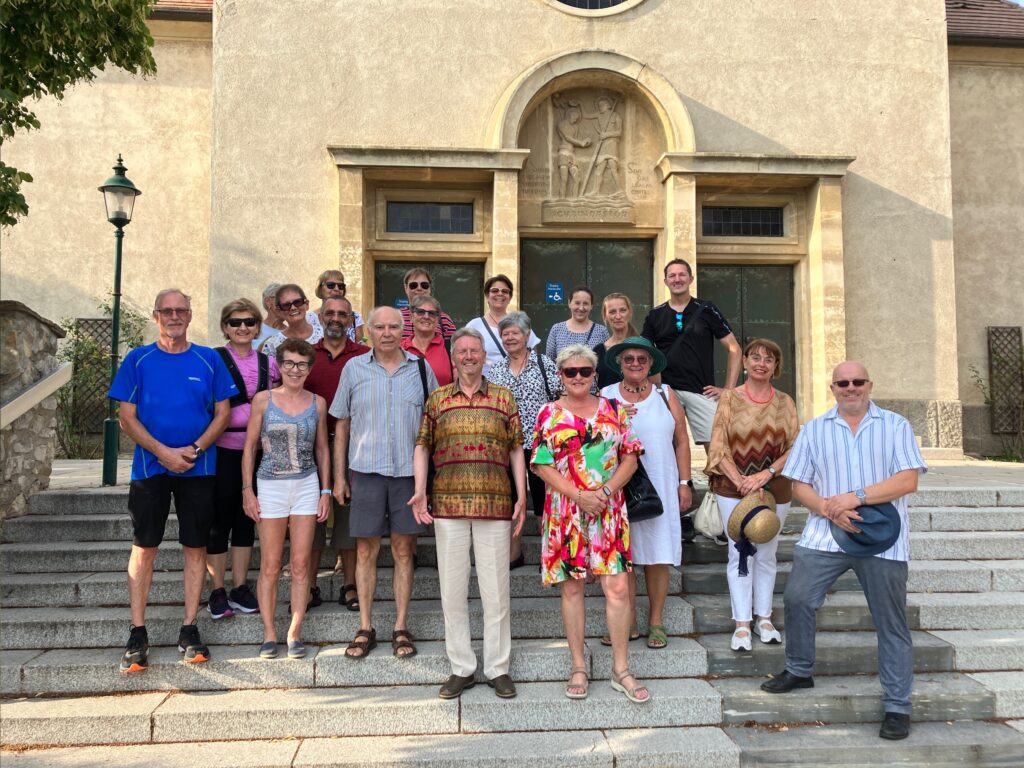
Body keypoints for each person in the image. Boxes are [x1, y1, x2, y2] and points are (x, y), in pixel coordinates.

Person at [762, 361, 927, 742]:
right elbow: (799, 482)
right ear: (832, 387)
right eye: (842, 383)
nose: (850, 388)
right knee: (799, 598)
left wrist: (856, 497)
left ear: (869, 384)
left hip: (883, 538)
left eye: (857, 382)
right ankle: (800, 670)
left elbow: (908, 480)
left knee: (891, 623)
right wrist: (827, 509)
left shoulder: (896, 426)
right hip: (825, 533)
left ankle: (898, 706)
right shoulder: (815, 430)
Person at [109, 288, 236, 673]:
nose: (175, 316)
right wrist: (164, 452)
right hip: (150, 469)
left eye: (181, 309)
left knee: (195, 547)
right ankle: (137, 631)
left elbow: (223, 413)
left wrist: (193, 449)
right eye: (168, 310)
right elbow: (126, 417)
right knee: (144, 547)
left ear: (191, 315)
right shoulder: (138, 359)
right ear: (156, 315)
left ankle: (189, 627)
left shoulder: (209, 358)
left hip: (199, 467)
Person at [411, 327, 527, 700]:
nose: (468, 356)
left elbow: (516, 450)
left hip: (495, 505)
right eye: (461, 350)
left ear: (483, 356)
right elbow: (422, 447)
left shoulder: (504, 398)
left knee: (496, 593)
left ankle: (498, 668)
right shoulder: (438, 399)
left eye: (474, 350)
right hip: (447, 505)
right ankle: (461, 667)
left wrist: (521, 496)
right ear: (454, 356)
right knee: (453, 592)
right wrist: (419, 491)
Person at [530, 344, 649, 704]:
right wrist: (578, 495)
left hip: (609, 510)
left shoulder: (613, 409)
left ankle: (621, 669)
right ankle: (578, 665)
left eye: (585, 371)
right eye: (571, 372)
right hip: (565, 511)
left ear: (595, 374)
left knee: (616, 589)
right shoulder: (549, 413)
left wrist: (607, 489)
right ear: (560, 375)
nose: (578, 377)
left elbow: (630, 455)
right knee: (572, 590)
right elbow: (540, 463)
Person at [331, 306, 438, 659]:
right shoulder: (353, 368)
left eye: (394, 326)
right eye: (380, 327)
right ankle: (365, 625)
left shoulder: (420, 370)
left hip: (409, 476)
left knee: (404, 551)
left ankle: (400, 626)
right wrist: (338, 477)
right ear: (369, 332)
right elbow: (341, 425)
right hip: (366, 473)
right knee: (365, 550)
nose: (387, 332)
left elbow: (435, 423)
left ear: (402, 330)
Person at [704, 338, 798, 652]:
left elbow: (795, 447)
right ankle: (742, 623)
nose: (761, 363)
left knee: (768, 551)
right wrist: (741, 480)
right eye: (754, 357)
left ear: (776, 367)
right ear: (744, 362)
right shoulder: (729, 398)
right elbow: (718, 446)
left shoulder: (785, 402)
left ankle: (765, 618)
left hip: (776, 486)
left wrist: (764, 475)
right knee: (740, 552)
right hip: (734, 486)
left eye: (768, 359)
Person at [600, 336, 693, 650]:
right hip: (619, 488)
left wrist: (684, 483)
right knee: (623, 557)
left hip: (662, 483)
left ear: (651, 363)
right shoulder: (606, 396)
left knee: (657, 556)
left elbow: (681, 441)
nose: (636, 364)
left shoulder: (666, 395)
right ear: (619, 364)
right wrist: (613, 418)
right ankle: (626, 621)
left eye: (642, 359)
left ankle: (656, 621)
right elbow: (594, 444)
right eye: (629, 359)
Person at [242, 339, 331, 659]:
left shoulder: (317, 402)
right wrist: (247, 490)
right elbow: (250, 446)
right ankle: (269, 633)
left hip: (306, 484)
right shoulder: (263, 400)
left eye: (303, 364)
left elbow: (322, 448)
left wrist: (326, 491)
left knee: (301, 563)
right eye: (290, 363)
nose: (296, 370)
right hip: (270, 485)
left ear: (310, 368)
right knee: (269, 564)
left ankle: (294, 632)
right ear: (279, 365)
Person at [207, 298, 280, 621]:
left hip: (259, 450)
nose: (242, 328)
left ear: (257, 326)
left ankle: (239, 586)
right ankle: (216, 589)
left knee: (246, 519)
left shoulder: (269, 363)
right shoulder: (212, 360)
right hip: (223, 447)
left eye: (249, 322)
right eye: (235, 322)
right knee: (219, 518)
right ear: (225, 326)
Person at [304, 296, 369, 612]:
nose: (336, 318)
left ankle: (350, 584)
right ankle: (310, 585)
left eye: (343, 314)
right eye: (330, 313)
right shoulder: (306, 355)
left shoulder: (364, 356)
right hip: (309, 447)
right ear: (320, 316)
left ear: (351, 320)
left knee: (348, 516)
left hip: (352, 444)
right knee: (311, 517)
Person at [641, 258, 741, 448]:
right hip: (667, 391)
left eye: (681, 274)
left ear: (690, 278)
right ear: (665, 281)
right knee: (666, 447)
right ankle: (677, 480)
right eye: (672, 275)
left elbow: (734, 349)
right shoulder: (655, 314)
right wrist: (651, 388)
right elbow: (644, 353)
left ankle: (718, 480)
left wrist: (728, 390)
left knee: (717, 450)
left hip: (702, 390)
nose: (677, 279)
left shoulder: (707, 309)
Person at [487, 311, 559, 568]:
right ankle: (513, 553)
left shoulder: (545, 364)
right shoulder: (495, 371)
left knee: (543, 501)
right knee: (508, 501)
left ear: (527, 336)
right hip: (507, 446)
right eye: (505, 334)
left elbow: (561, 398)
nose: (509, 338)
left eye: (514, 333)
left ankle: (547, 554)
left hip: (541, 445)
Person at [466, 274, 539, 375]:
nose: (500, 294)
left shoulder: (520, 323)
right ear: (487, 295)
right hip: (486, 385)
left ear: (510, 297)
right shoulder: (474, 326)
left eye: (505, 291)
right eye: (495, 290)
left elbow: (534, 355)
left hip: (518, 383)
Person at [545, 286, 610, 363]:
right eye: (577, 303)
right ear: (569, 303)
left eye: (585, 303)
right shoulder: (557, 329)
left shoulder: (601, 331)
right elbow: (549, 362)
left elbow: (607, 361)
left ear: (591, 306)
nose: (581, 308)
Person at [401, 294, 454, 386]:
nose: (426, 316)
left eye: (432, 313)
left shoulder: (450, 348)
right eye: (420, 312)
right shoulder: (400, 349)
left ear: (437, 319)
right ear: (411, 317)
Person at [260, 284, 323, 357]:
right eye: (286, 305)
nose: (293, 308)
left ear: (306, 304)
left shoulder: (324, 336)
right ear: (279, 311)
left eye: (297, 302)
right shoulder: (272, 345)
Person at [594, 292, 639, 389]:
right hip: (608, 403)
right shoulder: (599, 351)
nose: (618, 316)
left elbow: (655, 384)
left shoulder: (643, 346)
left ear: (630, 312)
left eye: (622, 310)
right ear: (605, 316)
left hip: (638, 403)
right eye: (612, 312)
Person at [399, 267, 456, 340]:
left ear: (429, 289)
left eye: (424, 285)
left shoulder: (444, 319)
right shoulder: (395, 317)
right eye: (413, 285)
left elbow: (453, 348)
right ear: (406, 288)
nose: (419, 288)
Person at [314, 269, 365, 342]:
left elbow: (360, 345)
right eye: (330, 285)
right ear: (320, 288)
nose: (336, 289)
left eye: (341, 286)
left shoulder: (355, 317)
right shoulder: (307, 319)